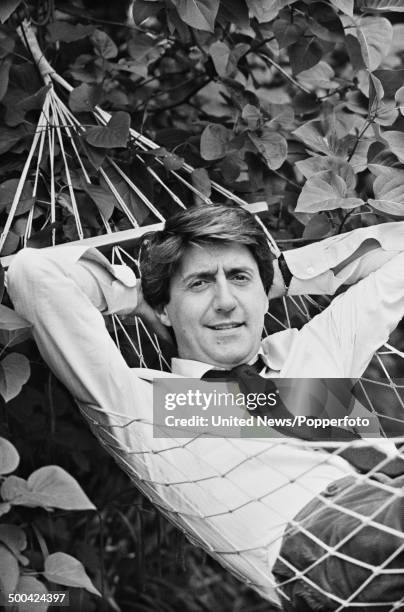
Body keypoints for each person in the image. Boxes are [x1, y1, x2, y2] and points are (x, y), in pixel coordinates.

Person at [7, 204, 404, 610]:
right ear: (165, 306)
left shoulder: (309, 353)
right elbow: (33, 274)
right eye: (199, 284)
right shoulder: (146, 403)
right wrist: (141, 293)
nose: (226, 302)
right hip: (323, 550)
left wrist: (280, 274)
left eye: (239, 279)